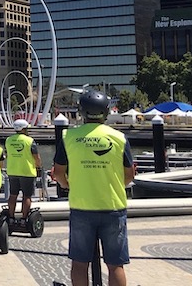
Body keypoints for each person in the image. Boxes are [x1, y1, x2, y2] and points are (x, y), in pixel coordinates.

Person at [53, 89, 134, 286]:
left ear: (82, 112)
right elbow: (129, 174)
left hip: (82, 206)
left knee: (80, 263)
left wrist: (69, 185)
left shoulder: (68, 137)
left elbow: (57, 173)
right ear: (106, 112)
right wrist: (116, 185)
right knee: (115, 265)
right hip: (113, 206)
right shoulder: (119, 138)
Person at [4, 118, 41, 222]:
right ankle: (24, 219)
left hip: (12, 171)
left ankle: (11, 217)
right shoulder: (30, 141)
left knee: (13, 195)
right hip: (27, 172)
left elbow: (7, 154)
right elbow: (36, 157)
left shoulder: (8, 140)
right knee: (27, 196)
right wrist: (38, 167)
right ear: (24, 129)